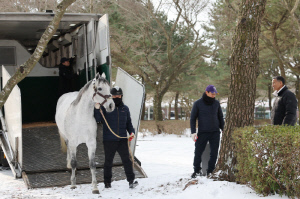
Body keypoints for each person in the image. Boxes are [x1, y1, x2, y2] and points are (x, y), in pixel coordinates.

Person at [94, 86, 138, 189]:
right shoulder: (106, 108)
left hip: (122, 140)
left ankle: (131, 181)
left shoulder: (125, 109)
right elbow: (98, 119)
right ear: (111, 96)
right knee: (108, 162)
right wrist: (97, 109)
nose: (117, 97)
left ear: (121, 96)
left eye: (118, 95)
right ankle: (107, 183)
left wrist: (132, 132)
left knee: (127, 161)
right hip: (109, 140)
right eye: (114, 95)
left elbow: (129, 124)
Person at [190, 85, 224, 178]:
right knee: (198, 152)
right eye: (212, 94)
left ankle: (210, 171)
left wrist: (223, 129)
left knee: (214, 153)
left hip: (215, 132)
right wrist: (193, 132)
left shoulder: (217, 103)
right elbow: (193, 118)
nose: (214, 95)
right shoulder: (198, 103)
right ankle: (197, 170)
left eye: (215, 94)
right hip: (203, 132)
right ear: (207, 92)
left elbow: (220, 117)